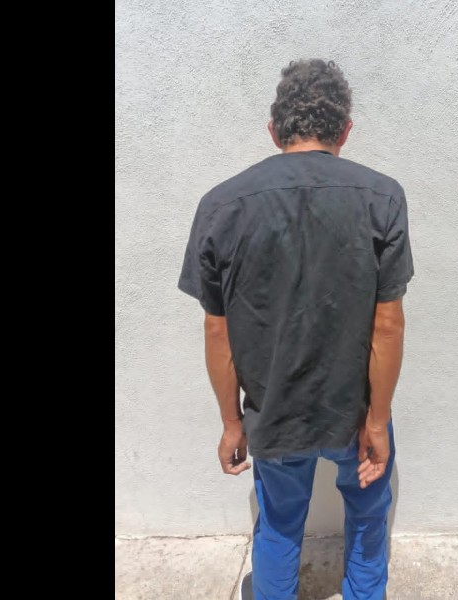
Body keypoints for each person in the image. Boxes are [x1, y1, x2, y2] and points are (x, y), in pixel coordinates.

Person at [178, 58, 414, 600]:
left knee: (280, 523)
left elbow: (217, 332)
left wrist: (231, 423)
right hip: (354, 411)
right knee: (368, 516)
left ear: (274, 131)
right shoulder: (382, 197)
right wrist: (378, 420)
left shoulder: (221, 205)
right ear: (345, 130)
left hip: (274, 409)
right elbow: (388, 323)